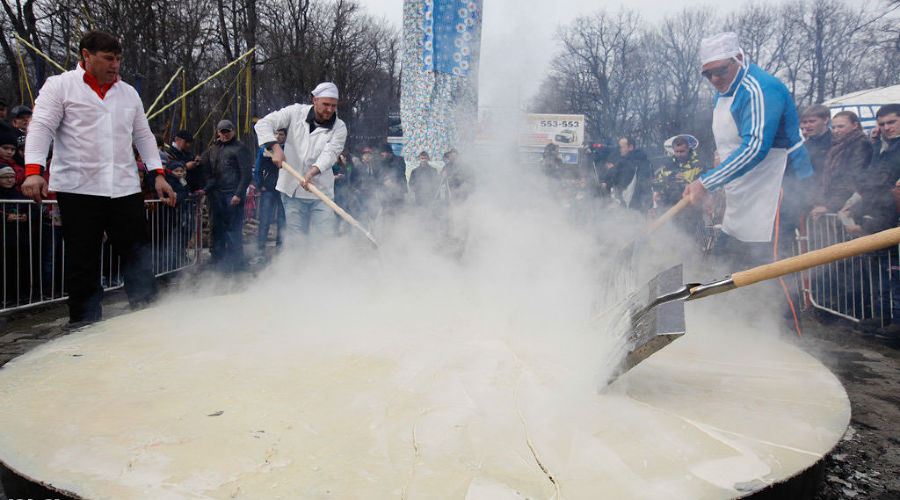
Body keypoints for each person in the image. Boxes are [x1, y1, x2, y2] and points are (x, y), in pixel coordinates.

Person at [20, 30, 176, 325]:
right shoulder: (60, 87)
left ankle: (148, 316)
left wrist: (158, 175)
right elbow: (40, 128)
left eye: (118, 59)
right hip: (78, 187)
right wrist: (33, 171)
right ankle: (84, 324)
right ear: (86, 55)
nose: (115, 65)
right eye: (108, 59)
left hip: (124, 187)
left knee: (138, 254)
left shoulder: (128, 92)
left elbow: (143, 134)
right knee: (83, 261)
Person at [683, 32, 813, 269]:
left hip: (779, 186)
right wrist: (718, 180)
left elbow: (755, 148)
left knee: (773, 270)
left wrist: (706, 183)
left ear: (739, 58)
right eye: (707, 73)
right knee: (728, 264)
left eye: (721, 70)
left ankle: (777, 306)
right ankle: (732, 307)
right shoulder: (722, 94)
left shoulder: (760, 88)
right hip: (747, 189)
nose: (714, 78)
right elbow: (728, 144)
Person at [253, 82, 347, 244]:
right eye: (326, 104)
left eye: (333, 106)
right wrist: (275, 147)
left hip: (321, 191)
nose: (330, 110)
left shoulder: (339, 127)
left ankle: (326, 268)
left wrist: (312, 172)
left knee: (324, 240)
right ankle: (300, 268)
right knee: (298, 240)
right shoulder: (295, 112)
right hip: (292, 191)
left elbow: (330, 154)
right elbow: (263, 124)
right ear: (314, 99)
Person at [198, 119, 253, 272]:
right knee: (216, 228)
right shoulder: (213, 149)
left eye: (228, 131)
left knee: (233, 229)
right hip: (215, 195)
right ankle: (217, 259)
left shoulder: (240, 148)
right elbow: (206, 169)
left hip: (232, 195)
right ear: (218, 132)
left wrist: (239, 194)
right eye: (222, 132)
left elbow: (246, 174)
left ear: (233, 131)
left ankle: (236, 262)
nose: (225, 134)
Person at [809, 111, 871, 219]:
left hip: (848, 205)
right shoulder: (837, 146)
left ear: (855, 125)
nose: (836, 131)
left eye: (841, 127)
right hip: (834, 202)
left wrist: (830, 206)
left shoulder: (860, 145)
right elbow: (826, 179)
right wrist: (820, 202)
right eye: (833, 127)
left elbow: (851, 178)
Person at [252, 128, 287, 259]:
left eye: (281, 134)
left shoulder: (289, 150)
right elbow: (258, 169)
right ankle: (260, 251)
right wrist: (260, 185)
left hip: (284, 190)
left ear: (285, 137)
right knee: (265, 219)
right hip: (269, 190)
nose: (278, 137)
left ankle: (280, 250)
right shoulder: (265, 150)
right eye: (276, 134)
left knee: (283, 221)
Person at [610, 137, 653, 213]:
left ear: (630, 147)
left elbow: (645, 185)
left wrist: (648, 206)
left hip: (635, 207)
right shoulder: (622, 162)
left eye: (621, 147)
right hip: (624, 205)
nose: (619, 150)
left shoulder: (640, 163)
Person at [799, 104, 832, 176]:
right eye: (805, 122)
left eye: (812, 121)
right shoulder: (803, 147)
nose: (807, 126)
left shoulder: (837, 143)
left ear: (826, 120)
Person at [377, 143, 407, 217]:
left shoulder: (399, 159)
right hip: (385, 192)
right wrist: (384, 181)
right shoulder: (382, 161)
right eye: (382, 153)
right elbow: (378, 175)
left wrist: (392, 180)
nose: (383, 154)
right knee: (387, 212)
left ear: (388, 152)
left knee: (398, 211)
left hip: (398, 190)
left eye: (384, 152)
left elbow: (401, 172)